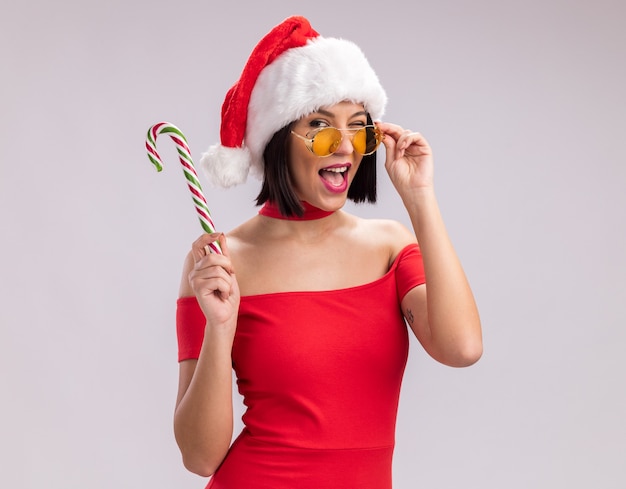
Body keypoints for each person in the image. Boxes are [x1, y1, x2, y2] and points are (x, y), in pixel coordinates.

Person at [173, 15, 482, 489]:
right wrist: (220, 329)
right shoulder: (220, 262)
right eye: (319, 126)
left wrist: (420, 199)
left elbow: (461, 348)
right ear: (279, 140)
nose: (343, 147)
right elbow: (200, 458)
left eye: (359, 129)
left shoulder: (390, 247)